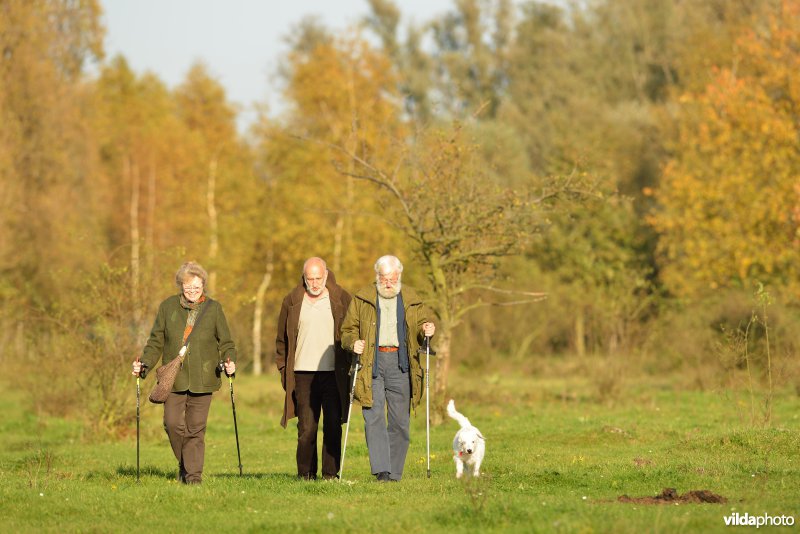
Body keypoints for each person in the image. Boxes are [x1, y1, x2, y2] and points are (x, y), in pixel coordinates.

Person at [132, 261, 236, 484]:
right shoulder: (168, 307)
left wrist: (230, 361)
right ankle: (187, 464)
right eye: (188, 287)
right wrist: (144, 365)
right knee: (172, 424)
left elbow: (226, 342)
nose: (192, 291)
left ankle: (193, 478)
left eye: (196, 287)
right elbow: (155, 341)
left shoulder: (214, 308)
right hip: (174, 379)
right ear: (180, 285)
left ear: (203, 285)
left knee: (196, 430)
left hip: (204, 377)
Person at [340, 255, 435, 482]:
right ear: (377, 277)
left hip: (401, 363)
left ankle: (394, 473)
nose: (388, 283)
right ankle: (382, 471)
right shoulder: (363, 297)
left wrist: (428, 329)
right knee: (373, 418)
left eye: (392, 278)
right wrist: (353, 342)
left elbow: (423, 327)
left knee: (400, 422)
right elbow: (347, 330)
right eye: (384, 278)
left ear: (399, 276)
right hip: (371, 362)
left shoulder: (412, 298)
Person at [275, 257, 352, 480]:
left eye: (319, 278)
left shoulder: (341, 298)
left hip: (333, 374)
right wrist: (283, 369)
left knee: (332, 426)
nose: (315, 283)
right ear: (304, 278)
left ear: (326, 275)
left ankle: (330, 474)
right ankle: (306, 475)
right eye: (311, 278)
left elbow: (352, 330)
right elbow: (281, 341)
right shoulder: (292, 300)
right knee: (306, 429)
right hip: (302, 374)